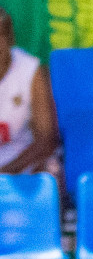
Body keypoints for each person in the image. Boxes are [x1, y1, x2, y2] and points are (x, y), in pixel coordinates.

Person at [0, 9, 60, 178]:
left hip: (21, 163)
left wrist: (4, 174)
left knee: (50, 171)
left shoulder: (30, 71)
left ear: (10, 39)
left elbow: (46, 140)